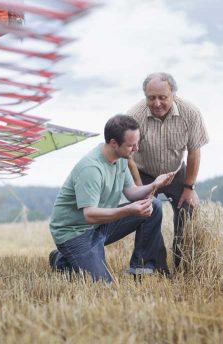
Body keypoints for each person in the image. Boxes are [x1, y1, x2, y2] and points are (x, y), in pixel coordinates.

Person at [48, 114, 175, 283]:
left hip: (100, 225)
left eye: (137, 143)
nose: (136, 148)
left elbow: (131, 192)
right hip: (74, 233)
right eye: (131, 145)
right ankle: (61, 259)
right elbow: (90, 215)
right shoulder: (91, 168)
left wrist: (154, 185)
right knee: (103, 284)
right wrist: (129, 210)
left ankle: (141, 269)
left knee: (155, 206)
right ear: (114, 143)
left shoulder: (121, 158)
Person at [127, 72, 209, 271]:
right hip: (144, 172)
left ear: (173, 94)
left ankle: (182, 265)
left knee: (187, 211)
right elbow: (128, 156)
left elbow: (194, 152)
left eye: (162, 97)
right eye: (151, 98)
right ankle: (160, 268)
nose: (156, 103)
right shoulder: (133, 116)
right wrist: (140, 189)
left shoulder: (190, 113)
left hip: (175, 171)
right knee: (148, 212)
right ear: (145, 95)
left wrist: (189, 187)